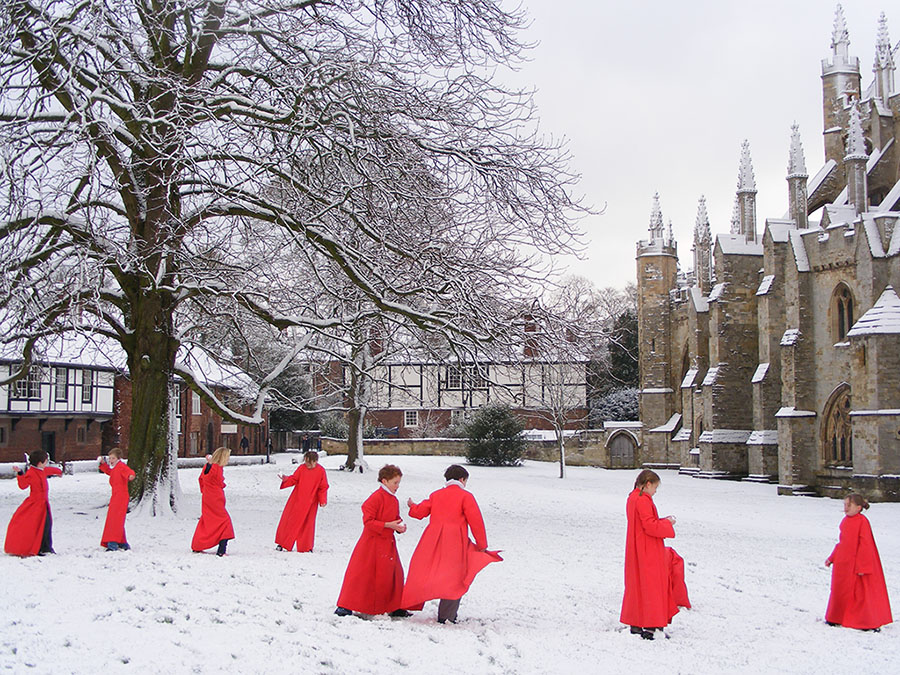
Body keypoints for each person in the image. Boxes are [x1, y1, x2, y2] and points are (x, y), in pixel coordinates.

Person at [401, 464, 502, 624]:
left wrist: (412, 506)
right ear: (462, 479)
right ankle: (447, 615)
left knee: (427, 571)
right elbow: (476, 522)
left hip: (432, 540)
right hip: (455, 541)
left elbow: (419, 512)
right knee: (454, 577)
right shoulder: (466, 496)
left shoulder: (436, 495)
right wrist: (482, 544)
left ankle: (408, 600)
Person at [620, 469, 690, 640]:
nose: (655, 492)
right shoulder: (642, 500)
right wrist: (667, 523)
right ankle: (652, 625)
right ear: (648, 484)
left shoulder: (633, 498)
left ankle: (636, 622)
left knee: (637, 585)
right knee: (652, 586)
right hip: (647, 549)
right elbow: (649, 526)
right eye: (655, 488)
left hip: (636, 547)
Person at [335, 464, 409, 618]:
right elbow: (368, 522)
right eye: (395, 482)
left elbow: (394, 517)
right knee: (362, 575)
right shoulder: (375, 498)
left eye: (398, 483)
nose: (397, 486)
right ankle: (346, 605)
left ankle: (394, 605)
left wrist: (399, 526)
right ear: (385, 481)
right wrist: (389, 525)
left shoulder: (393, 500)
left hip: (387, 543)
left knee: (394, 574)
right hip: (371, 543)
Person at [825, 493, 892, 631]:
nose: (846, 507)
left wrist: (863, 566)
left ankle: (864, 622)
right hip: (843, 564)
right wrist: (832, 558)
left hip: (856, 565)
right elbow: (842, 543)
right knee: (840, 591)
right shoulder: (844, 521)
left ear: (859, 507)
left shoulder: (862, 522)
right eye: (845, 504)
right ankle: (836, 617)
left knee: (860, 594)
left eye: (849, 505)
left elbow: (866, 545)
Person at [4, 450, 63, 557]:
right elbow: (23, 485)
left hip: (43, 504)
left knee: (46, 525)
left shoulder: (41, 470)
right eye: (45, 461)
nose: (46, 464)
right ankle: (39, 547)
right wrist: (20, 473)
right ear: (40, 463)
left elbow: (48, 470)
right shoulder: (31, 472)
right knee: (37, 526)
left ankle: (45, 547)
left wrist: (58, 472)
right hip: (35, 505)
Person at [275, 451, 329, 552]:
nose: (307, 464)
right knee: (290, 521)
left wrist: (322, 499)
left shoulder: (321, 471)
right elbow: (294, 479)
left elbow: (323, 487)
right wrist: (285, 479)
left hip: (311, 502)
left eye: (309, 462)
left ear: (315, 461)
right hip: (297, 500)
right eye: (306, 462)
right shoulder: (301, 468)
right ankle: (283, 543)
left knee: (308, 525)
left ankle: (306, 546)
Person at [191, 447, 235, 556]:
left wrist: (204, 490)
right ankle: (221, 549)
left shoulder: (210, 467)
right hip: (215, 498)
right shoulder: (216, 467)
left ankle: (198, 544)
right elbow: (218, 481)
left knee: (207, 520)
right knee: (224, 521)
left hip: (208, 496)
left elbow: (202, 479)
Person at [98, 448, 136, 551]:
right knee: (115, 518)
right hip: (116, 495)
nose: (111, 460)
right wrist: (103, 464)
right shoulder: (116, 467)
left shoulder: (121, 467)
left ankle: (113, 543)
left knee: (115, 519)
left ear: (118, 458)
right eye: (110, 458)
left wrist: (131, 475)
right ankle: (122, 542)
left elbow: (128, 471)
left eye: (113, 458)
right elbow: (110, 472)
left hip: (121, 496)